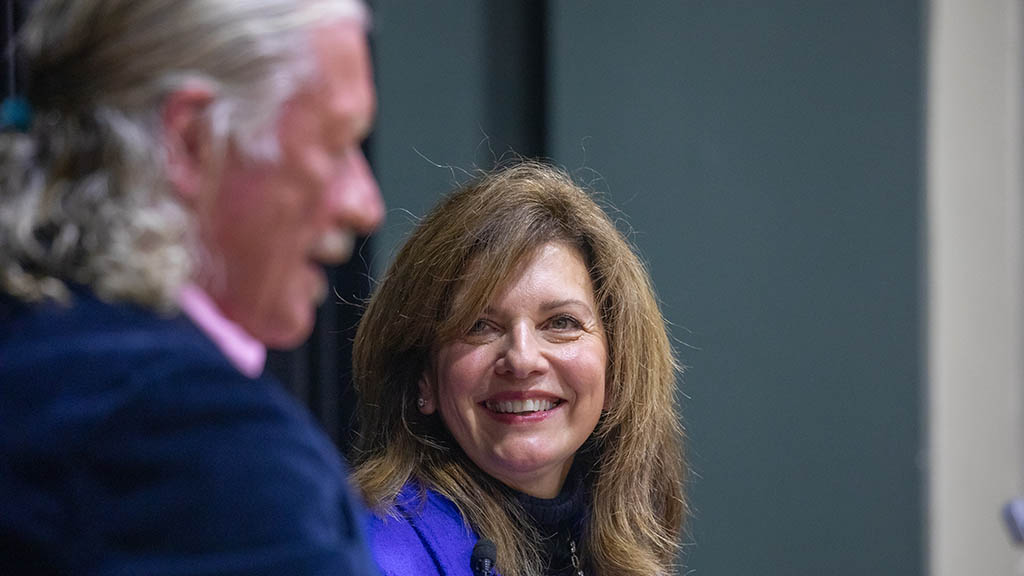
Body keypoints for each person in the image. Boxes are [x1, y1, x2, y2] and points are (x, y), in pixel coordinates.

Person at [0, 1, 385, 574]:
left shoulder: (37, 356)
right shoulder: (199, 443)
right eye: (334, 146)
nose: (366, 205)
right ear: (190, 140)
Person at [351, 161, 686, 576]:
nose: (523, 359)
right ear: (424, 378)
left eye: (561, 323)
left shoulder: (611, 541)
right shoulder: (369, 554)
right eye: (478, 326)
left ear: (617, 368)